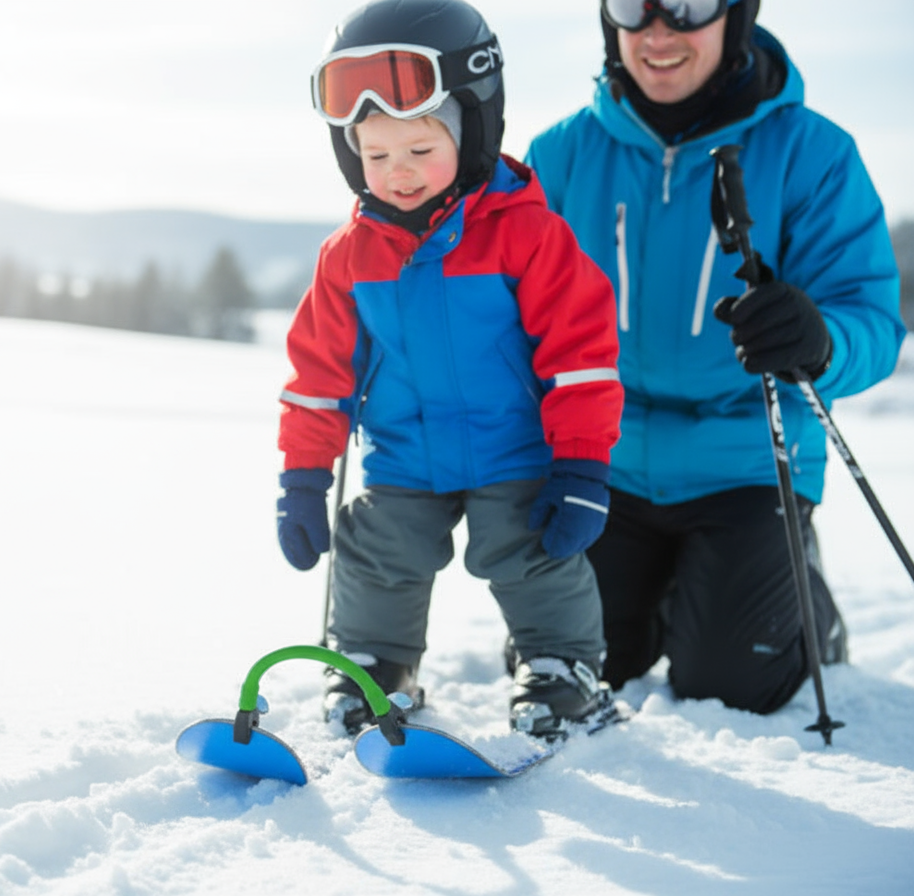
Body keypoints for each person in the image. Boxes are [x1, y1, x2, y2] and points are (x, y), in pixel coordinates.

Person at [525, 0, 906, 715]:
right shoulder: (562, 155)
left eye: (689, 4)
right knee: (571, 662)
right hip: (603, 460)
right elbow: (506, 315)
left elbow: (873, 320)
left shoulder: (812, 152)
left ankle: (800, 611)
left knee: (735, 683)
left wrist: (821, 338)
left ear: (736, 15)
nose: (658, 30)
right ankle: (668, 597)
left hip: (747, 461)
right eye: (632, 6)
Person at [274, 0, 625, 739]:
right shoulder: (349, 257)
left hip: (515, 452)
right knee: (378, 548)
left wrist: (583, 464)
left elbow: (581, 358)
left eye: (419, 149)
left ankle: (562, 667)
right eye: (375, 156)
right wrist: (303, 477)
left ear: (472, 132)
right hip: (405, 456)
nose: (397, 173)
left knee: (531, 552)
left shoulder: (528, 234)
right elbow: (318, 377)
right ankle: (377, 665)